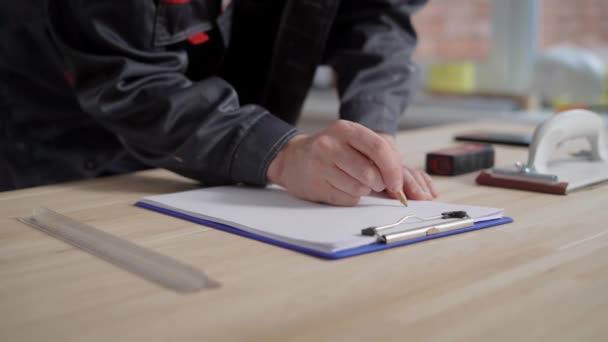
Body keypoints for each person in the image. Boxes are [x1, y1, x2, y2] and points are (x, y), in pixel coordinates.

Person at [0, 0, 437, 205]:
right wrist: (281, 155)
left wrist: (373, 129)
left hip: (232, 175)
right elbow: (127, 75)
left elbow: (376, 15)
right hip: (61, 157)